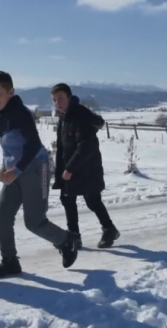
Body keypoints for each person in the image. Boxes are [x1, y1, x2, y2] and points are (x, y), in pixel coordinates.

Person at [0, 71, 81, 279]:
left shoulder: (20, 113)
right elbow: (8, 147)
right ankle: (10, 262)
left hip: (37, 168)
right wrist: (4, 167)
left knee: (34, 221)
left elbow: (32, 145)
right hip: (15, 170)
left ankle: (66, 240)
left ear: (11, 92)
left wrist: (15, 170)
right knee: (2, 219)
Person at [51, 83, 120, 248]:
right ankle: (75, 236)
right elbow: (62, 146)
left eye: (60, 98)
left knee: (92, 200)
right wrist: (60, 168)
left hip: (87, 168)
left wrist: (69, 168)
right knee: (68, 198)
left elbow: (86, 146)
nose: (57, 103)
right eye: (54, 100)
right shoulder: (64, 116)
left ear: (69, 97)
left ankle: (108, 229)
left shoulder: (80, 115)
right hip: (73, 167)